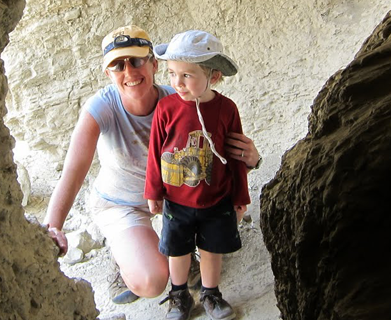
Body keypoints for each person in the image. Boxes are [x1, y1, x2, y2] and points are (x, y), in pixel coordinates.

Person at [41, 25, 262, 306]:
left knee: (228, 218)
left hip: (174, 198)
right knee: (153, 280)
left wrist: (253, 160)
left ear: (154, 64)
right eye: (118, 66)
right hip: (122, 203)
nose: (130, 73)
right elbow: (73, 172)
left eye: (136, 61)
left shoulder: (180, 96)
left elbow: (219, 152)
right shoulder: (102, 107)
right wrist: (53, 227)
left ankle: (177, 254)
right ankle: (124, 257)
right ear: (107, 73)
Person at [144, 29, 247, 320]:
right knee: (178, 251)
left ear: (213, 76)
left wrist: (241, 195)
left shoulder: (227, 109)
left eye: (187, 75)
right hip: (178, 200)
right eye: (173, 73)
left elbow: (235, 155)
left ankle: (211, 294)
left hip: (217, 198)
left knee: (212, 249)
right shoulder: (166, 108)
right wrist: (153, 191)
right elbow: (155, 152)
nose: (177, 82)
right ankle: (179, 297)